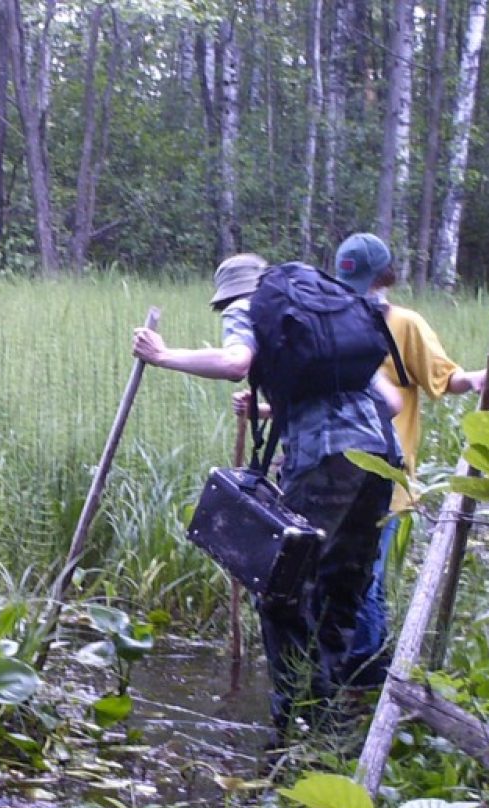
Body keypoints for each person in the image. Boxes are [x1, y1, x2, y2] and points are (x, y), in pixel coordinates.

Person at [132, 254, 404, 744]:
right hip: (382, 458)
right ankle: (333, 720)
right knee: (341, 586)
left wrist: (164, 355)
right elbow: (391, 402)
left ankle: (295, 722)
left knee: (281, 585)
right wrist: (271, 409)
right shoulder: (328, 309)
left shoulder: (250, 308)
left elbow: (235, 363)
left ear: (231, 296)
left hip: (325, 458)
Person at [332, 233, 486, 682]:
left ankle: (364, 677)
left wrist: (477, 378)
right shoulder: (333, 320)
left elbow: (444, 378)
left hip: (385, 476)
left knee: (367, 581)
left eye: (365, 284)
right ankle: (340, 672)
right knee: (336, 579)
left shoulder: (405, 325)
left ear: (384, 278)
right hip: (334, 476)